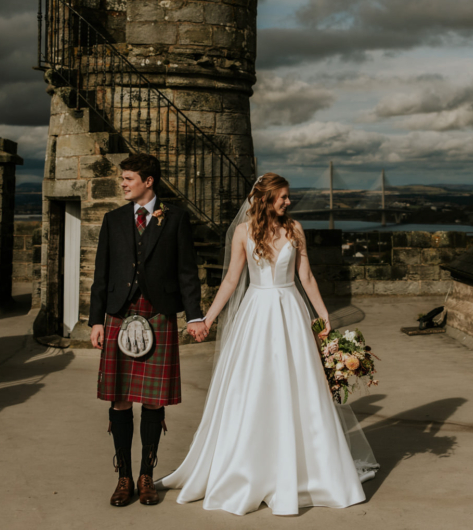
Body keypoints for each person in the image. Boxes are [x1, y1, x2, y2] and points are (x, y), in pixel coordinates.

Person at [159, 172, 378, 515]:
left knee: (300, 386)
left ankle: (312, 471)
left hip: (291, 311)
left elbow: (305, 276)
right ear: (264, 199)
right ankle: (249, 469)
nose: (288, 202)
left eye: (288, 197)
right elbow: (232, 279)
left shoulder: (295, 229)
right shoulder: (244, 233)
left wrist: (323, 318)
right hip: (257, 313)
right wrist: (209, 319)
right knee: (256, 385)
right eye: (283, 197)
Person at [89, 154, 207, 507]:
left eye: (128, 178)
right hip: (119, 314)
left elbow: (187, 272)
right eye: (122, 179)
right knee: (121, 398)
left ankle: (146, 475)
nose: (123, 184)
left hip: (159, 313)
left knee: (154, 400)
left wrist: (195, 315)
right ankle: (123, 476)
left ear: (148, 181)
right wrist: (96, 320)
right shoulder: (113, 220)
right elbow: (102, 275)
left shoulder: (176, 219)